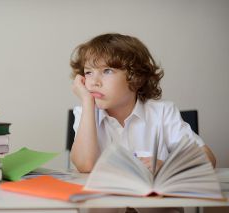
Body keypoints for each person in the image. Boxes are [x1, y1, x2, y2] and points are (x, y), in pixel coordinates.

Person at [69, 33, 216, 213]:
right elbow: (85, 165)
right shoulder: (86, 113)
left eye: (107, 71)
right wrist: (86, 101)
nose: (94, 82)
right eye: (88, 72)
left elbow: (207, 158)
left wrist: (167, 166)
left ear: (135, 77)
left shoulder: (162, 113)